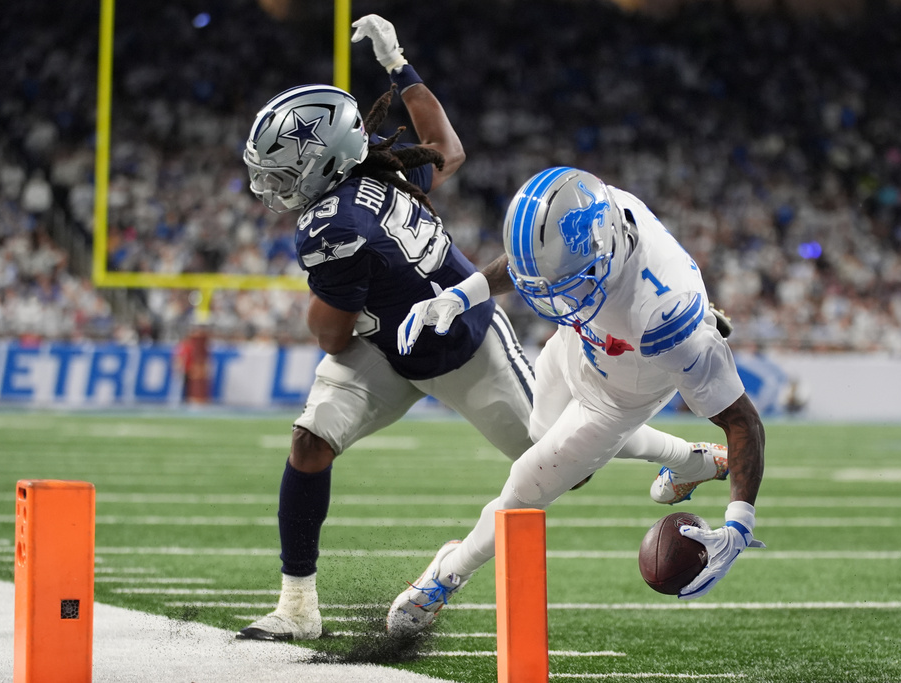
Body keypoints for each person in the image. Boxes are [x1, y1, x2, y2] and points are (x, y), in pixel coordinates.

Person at [238, 17, 734, 642]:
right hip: (389, 344)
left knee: (565, 461)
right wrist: (399, 66)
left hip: (462, 345)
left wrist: (343, 311)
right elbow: (447, 149)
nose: (274, 186)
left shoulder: (331, 228)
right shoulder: (375, 174)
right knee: (311, 441)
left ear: (327, 162)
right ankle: (296, 607)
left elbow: (331, 334)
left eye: (286, 170)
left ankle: (686, 457)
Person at [389, 167, 765, 635]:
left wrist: (738, 526)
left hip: (624, 388)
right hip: (579, 344)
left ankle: (447, 573)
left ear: (604, 250)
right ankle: (690, 461)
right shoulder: (587, 223)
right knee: (545, 439)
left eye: (566, 281)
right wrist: (460, 295)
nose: (551, 294)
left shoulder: (664, 315)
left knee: (526, 486)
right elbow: (532, 267)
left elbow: (744, 421)